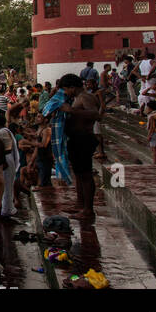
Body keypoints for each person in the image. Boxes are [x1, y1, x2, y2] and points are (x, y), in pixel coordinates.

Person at [58, 73, 102, 218]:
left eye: (66, 89)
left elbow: (96, 115)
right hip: (76, 139)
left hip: (84, 138)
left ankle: (88, 210)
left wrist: (70, 110)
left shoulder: (86, 97)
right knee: (78, 174)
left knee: (85, 175)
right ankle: (80, 204)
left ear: (72, 87)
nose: (65, 92)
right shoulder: (76, 98)